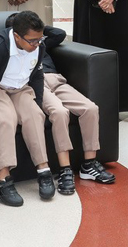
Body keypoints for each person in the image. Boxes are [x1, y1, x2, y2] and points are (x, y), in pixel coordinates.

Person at [0, 10, 58, 205]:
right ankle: (2, 178)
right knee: (6, 119)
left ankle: (43, 170)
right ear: (16, 36)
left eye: (39, 40)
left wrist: (39, 102)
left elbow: (37, 76)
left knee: (34, 115)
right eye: (32, 41)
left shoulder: (38, 46)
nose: (36, 45)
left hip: (20, 88)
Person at [37, 22, 116, 189]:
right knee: (59, 112)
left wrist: (40, 28)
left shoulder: (41, 41)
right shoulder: (14, 47)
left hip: (56, 80)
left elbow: (59, 33)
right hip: (36, 84)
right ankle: (65, 169)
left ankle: (89, 164)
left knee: (90, 108)